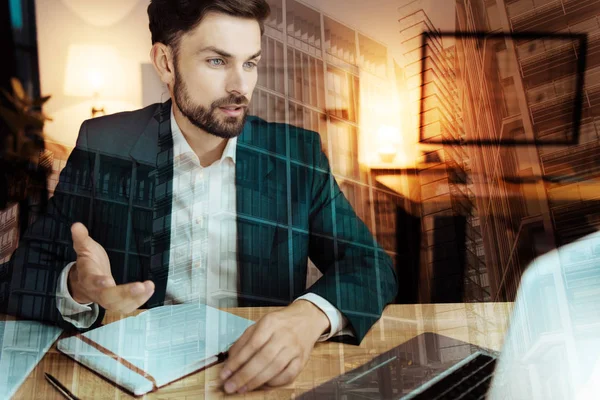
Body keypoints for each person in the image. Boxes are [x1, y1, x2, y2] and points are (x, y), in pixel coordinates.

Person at [5, 0, 398, 394]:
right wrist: (77, 286)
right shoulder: (104, 145)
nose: (240, 87)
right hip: (135, 383)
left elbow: (372, 266)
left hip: (260, 382)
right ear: (165, 63)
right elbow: (20, 277)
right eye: (217, 61)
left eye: (250, 63)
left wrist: (308, 316)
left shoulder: (296, 155)